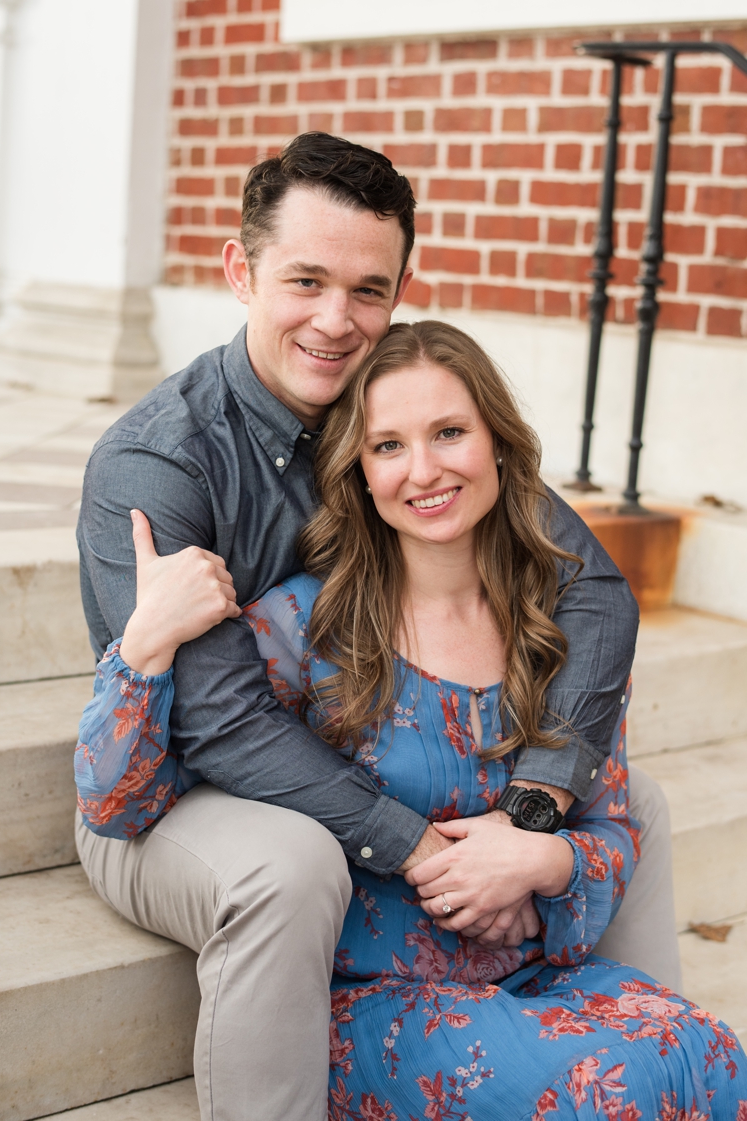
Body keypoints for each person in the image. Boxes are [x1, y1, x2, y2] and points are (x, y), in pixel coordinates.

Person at [72, 132, 679, 1120]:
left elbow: (597, 593)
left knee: (627, 796)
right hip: (174, 786)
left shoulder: (395, 403)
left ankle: (627, 1038)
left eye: (368, 289)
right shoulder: (159, 464)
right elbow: (215, 722)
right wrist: (423, 845)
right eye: (306, 280)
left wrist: (526, 822)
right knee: (292, 861)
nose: (335, 320)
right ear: (241, 269)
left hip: (338, 732)